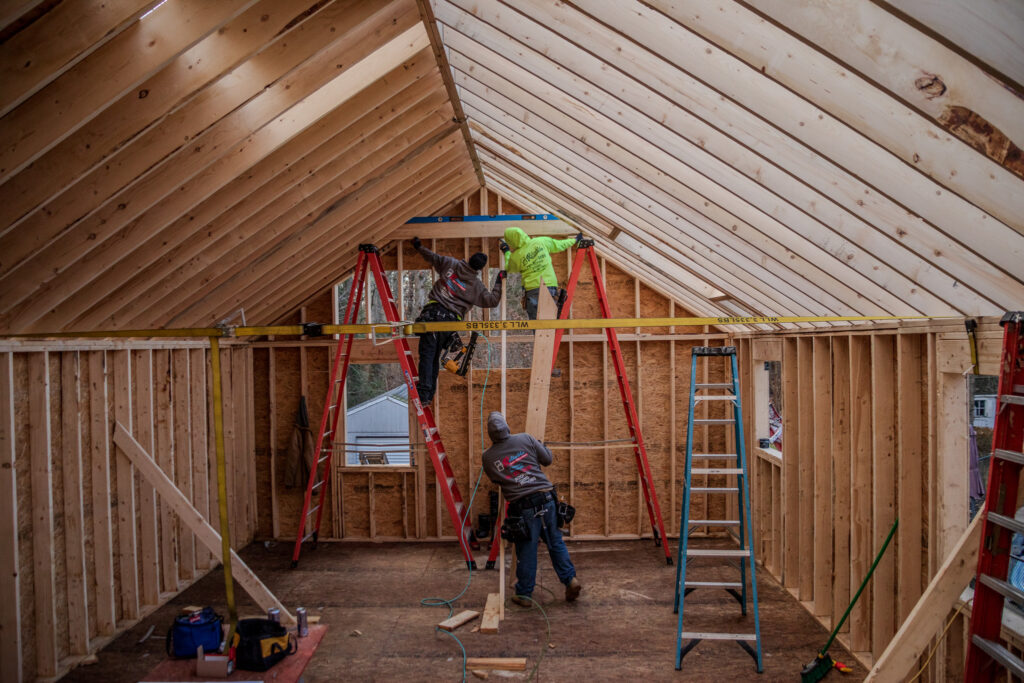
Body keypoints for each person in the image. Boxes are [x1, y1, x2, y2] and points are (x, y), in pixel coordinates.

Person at [482, 411, 581, 605]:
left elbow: (496, 479)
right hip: (547, 498)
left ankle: (525, 594)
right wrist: (538, 448)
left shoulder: (488, 457)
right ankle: (570, 580)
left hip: (523, 507)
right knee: (555, 542)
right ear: (507, 426)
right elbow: (548, 459)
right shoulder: (525, 438)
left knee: (527, 548)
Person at [411, 237, 504, 405]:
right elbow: (492, 301)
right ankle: (426, 396)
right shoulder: (475, 286)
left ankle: (425, 395)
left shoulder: (450, 264)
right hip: (449, 324)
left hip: (432, 316)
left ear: (469, 259)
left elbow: (431, 256)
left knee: (428, 356)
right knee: (432, 358)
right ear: (480, 269)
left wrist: (419, 246)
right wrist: (499, 281)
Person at [500, 227, 582, 319]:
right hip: (549, 285)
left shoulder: (515, 257)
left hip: (532, 290)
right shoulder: (541, 241)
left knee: (537, 324)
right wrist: (574, 240)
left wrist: (506, 252)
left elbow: (509, 268)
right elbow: (559, 245)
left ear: (511, 242)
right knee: (550, 322)